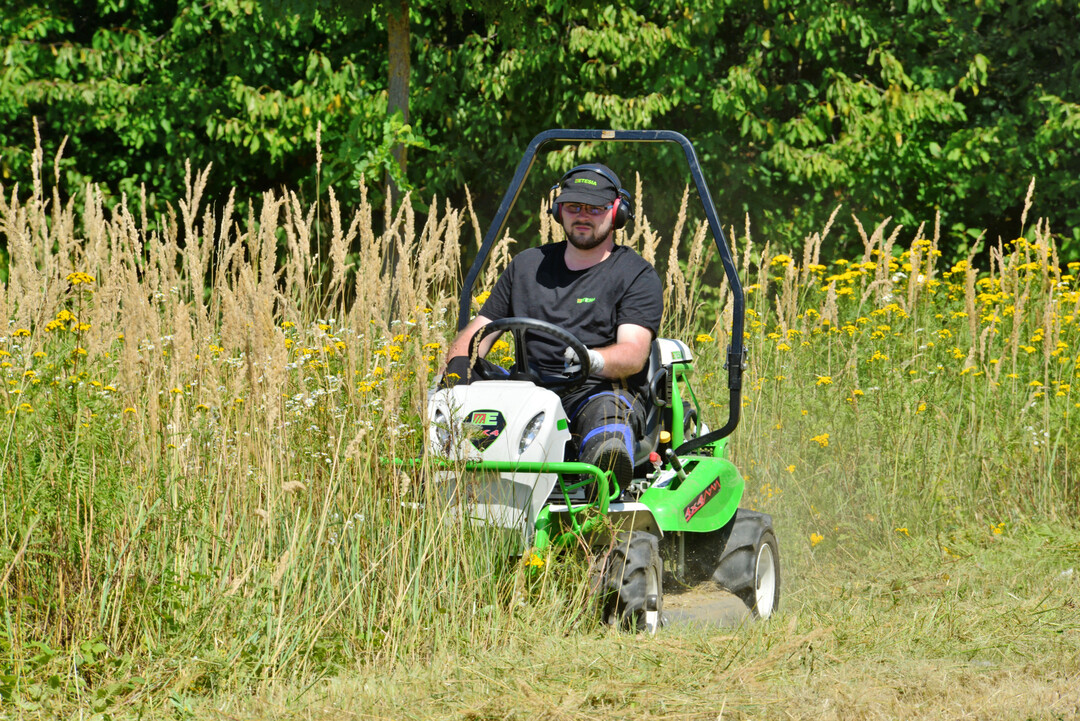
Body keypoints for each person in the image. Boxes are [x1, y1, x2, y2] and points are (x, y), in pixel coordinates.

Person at [443, 163, 663, 494]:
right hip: (526, 391)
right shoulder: (527, 265)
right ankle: (448, 482)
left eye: (594, 208)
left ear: (617, 212)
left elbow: (632, 354)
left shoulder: (636, 275)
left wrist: (593, 360)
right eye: (574, 206)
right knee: (461, 397)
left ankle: (602, 486)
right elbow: (479, 333)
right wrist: (456, 375)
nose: (582, 216)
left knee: (607, 413)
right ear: (558, 210)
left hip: (594, 390)